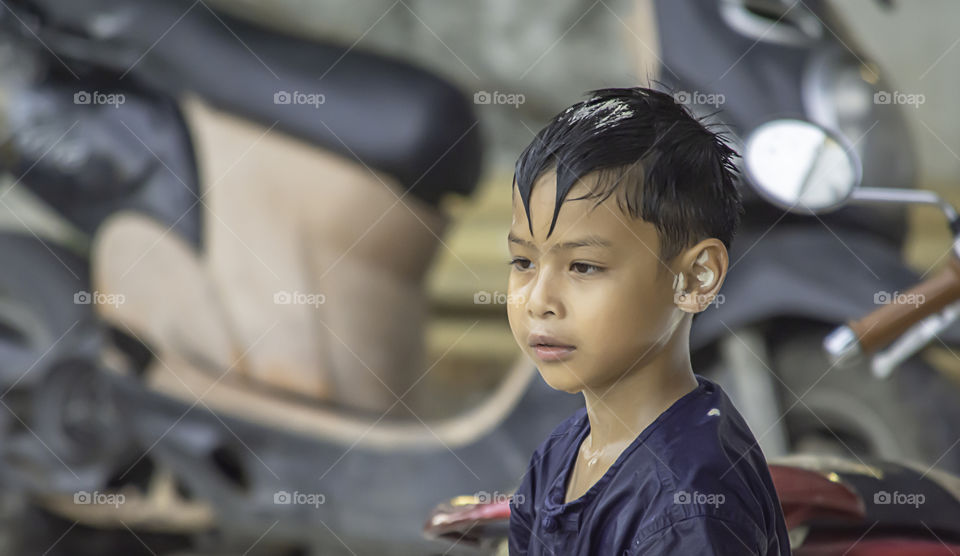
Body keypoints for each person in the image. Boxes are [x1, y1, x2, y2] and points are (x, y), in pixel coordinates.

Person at [506, 87, 791, 555]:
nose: (539, 301)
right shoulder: (562, 454)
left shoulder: (690, 505)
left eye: (583, 267)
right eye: (523, 262)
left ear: (696, 277)